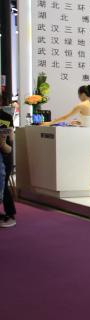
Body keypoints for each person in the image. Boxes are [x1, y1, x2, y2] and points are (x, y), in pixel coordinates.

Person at [43, 84, 90, 191]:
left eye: (79, 94)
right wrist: (80, 122)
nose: (79, 97)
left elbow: (65, 117)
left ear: (83, 94)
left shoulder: (81, 105)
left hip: (85, 134)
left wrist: (49, 123)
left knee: (88, 159)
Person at [0, 90, 16, 227]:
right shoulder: (5, 116)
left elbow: (8, 140)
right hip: (5, 151)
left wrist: (4, 144)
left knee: (3, 185)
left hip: (4, 154)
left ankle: (10, 214)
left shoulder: (5, 117)